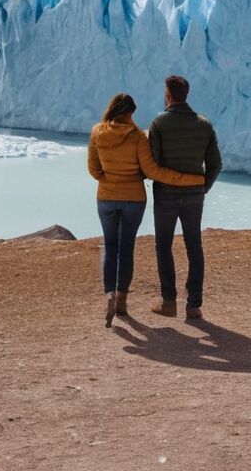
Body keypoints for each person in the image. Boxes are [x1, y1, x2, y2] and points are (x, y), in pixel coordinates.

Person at [88, 93, 205, 327]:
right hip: (134, 199)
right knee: (126, 248)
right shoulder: (138, 137)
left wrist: (110, 180)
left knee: (110, 246)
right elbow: (152, 171)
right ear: (130, 113)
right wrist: (189, 179)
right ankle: (121, 300)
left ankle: (109, 293)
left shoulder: (97, 132)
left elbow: (93, 169)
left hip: (107, 198)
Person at [148, 75, 222, 320]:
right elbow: (215, 164)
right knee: (194, 247)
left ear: (168, 94)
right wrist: (202, 188)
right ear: (186, 95)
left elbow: (153, 162)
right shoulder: (204, 124)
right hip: (194, 197)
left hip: (165, 195)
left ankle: (169, 302)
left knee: (163, 246)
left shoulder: (159, 123)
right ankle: (194, 306)